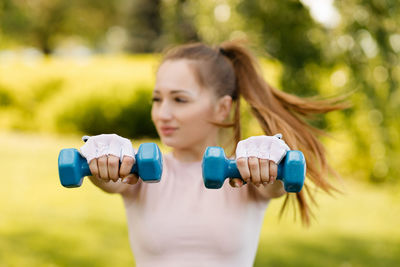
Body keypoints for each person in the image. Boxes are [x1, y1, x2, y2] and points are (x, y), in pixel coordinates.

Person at [79, 40, 348, 267]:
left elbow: (275, 185)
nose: (163, 114)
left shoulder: (246, 176)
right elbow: (107, 180)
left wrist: (268, 156)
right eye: (157, 99)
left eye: (180, 99)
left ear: (222, 108)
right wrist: (102, 155)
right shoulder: (137, 175)